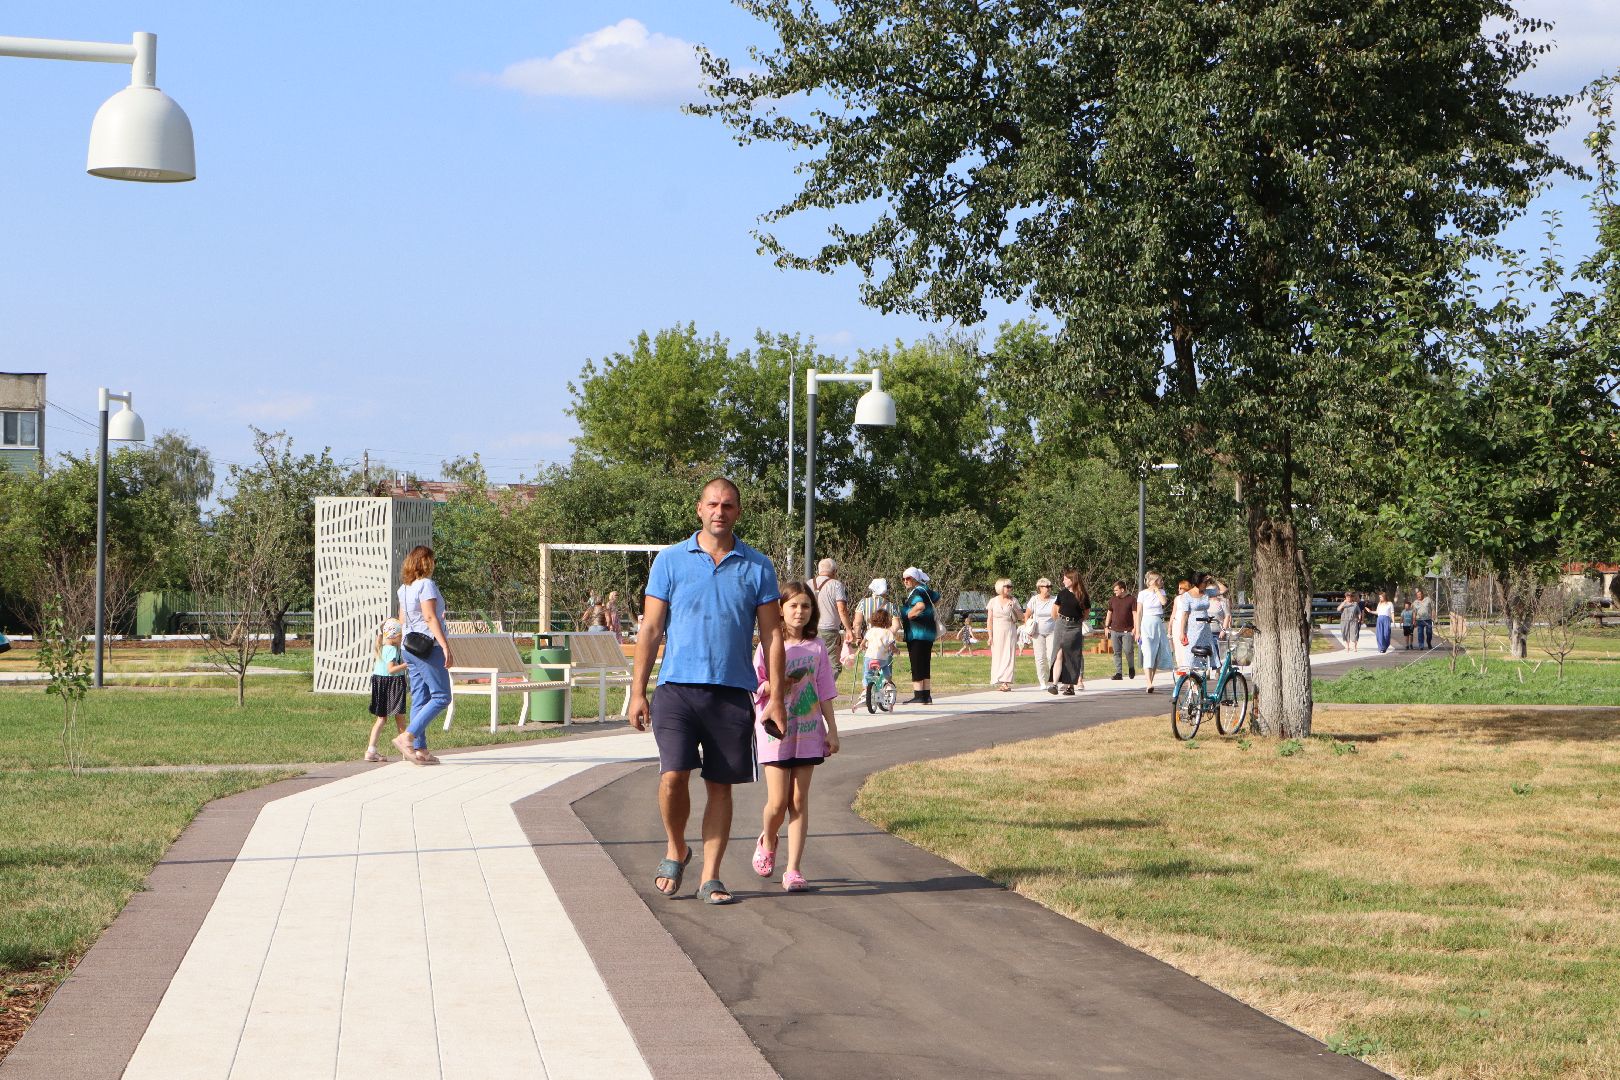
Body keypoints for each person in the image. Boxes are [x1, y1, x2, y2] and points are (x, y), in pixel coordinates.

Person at [629, 477, 785, 907]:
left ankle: (711, 877)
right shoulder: (671, 561)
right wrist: (637, 691)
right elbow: (652, 628)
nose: (721, 511)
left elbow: (772, 635)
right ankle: (676, 847)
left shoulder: (758, 566)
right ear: (699, 509)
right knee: (673, 776)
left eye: (729, 505)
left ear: (738, 511)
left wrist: (777, 698)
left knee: (721, 786)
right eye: (713, 504)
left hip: (732, 692)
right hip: (677, 689)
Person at [751, 580, 841, 892]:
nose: (799, 612)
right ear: (780, 610)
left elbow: (825, 690)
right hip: (776, 733)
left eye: (805, 606)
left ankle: (793, 869)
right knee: (777, 802)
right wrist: (778, 686)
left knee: (799, 800)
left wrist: (832, 730)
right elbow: (755, 687)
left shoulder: (817, 647)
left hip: (809, 731)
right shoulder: (767, 645)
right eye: (793, 606)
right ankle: (768, 838)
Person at [394, 545, 453, 766]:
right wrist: (445, 645)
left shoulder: (404, 588)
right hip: (427, 647)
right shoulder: (426, 585)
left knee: (420, 696)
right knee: (441, 696)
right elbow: (429, 617)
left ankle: (420, 750)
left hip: (409, 647)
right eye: (432, 560)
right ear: (426, 562)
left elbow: (402, 620)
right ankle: (407, 737)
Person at [364, 618, 408, 762]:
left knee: (381, 718)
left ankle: (371, 750)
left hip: (380, 683)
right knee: (400, 718)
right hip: (393, 683)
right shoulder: (392, 649)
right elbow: (391, 670)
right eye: (401, 636)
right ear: (395, 636)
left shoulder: (381, 647)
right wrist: (407, 664)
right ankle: (407, 751)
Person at [900, 567, 939, 704]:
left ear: (915, 578)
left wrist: (909, 615)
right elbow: (937, 597)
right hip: (928, 633)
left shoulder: (916, 591)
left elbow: (920, 605)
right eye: (903, 579)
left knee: (916, 663)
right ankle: (926, 695)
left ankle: (918, 695)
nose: (905, 581)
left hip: (917, 633)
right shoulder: (925, 589)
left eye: (908, 578)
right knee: (925, 663)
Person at [811, 558, 853, 681]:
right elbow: (842, 609)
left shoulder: (808, 584)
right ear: (834, 571)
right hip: (828, 630)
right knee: (834, 666)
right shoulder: (836, 585)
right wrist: (848, 629)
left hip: (810, 628)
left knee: (814, 663)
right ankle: (825, 692)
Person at [1134, 572, 1174, 694]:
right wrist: (1137, 630)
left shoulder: (1161, 592)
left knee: (1156, 653)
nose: (1161, 582)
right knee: (1148, 652)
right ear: (1152, 581)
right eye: (1159, 580)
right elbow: (1139, 612)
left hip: (1158, 623)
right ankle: (1148, 682)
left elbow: (1163, 602)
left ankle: (1150, 681)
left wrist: (1157, 590)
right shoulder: (1142, 594)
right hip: (1146, 623)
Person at [1176, 573, 1226, 671]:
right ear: (1197, 582)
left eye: (1207, 582)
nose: (1206, 584)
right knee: (1191, 656)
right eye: (1204, 582)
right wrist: (1182, 632)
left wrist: (1213, 579)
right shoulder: (1187, 595)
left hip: (1205, 628)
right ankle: (1191, 681)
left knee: (1204, 655)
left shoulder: (1206, 592)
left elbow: (1223, 590)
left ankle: (1201, 679)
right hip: (1192, 628)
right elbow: (1185, 615)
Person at [1050, 569, 1088, 695]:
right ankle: (1054, 684)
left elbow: (1086, 613)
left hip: (1075, 626)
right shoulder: (1062, 594)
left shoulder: (1082, 595)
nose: (1063, 581)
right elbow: (1055, 610)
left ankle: (1070, 686)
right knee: (1058, 653)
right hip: (1061, 624)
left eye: (1066, 579)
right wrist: (1060, 621)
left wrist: (1077, 621)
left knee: (1072, 655)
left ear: (1073, 580)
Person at [986, 578, 1024, 691]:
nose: (1009, 588)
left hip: (1009, 629)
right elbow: (989, 620)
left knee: (1009, 654)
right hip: (997, 629)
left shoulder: (1014, 600)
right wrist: (990, 636)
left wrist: (1015, 608)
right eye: (1007, 586)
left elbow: (1021, 617)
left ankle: (1005, 682)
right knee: (997, 655)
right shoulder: (993, 601)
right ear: (1000, 587)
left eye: (1010, 586)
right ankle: (997, 678)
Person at [1023, 578, 1058, 690]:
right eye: (1045, 587)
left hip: (1052, 631)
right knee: (1040, 657)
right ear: (1039, 588)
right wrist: (1028, 628)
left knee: (1051, 656)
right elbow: (1027, 615)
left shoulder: (1055, 599)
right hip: (1037, 633)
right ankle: (1042, 681)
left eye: (1049, 586)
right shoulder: (1034, 600)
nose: (1048, 589)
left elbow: (1059, 614)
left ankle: (1053, 680)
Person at [1103, 580, 1137, 681]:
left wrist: (1136, 627)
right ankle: (1119, 673)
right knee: (1116, 652)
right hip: (1114, 630)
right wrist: (1106, 626)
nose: (1115, 592)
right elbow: (1109, 613)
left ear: (1122, 590)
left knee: (1128, 651)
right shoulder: (1113, 600)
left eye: (1116, 590)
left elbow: (1135, 614)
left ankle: (1131, 667)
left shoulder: (1131, 599)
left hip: (1127, 630)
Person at [863, 608, 898, 688]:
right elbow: (892, 647)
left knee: (867, 673)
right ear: (887, 621)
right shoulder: (888, 632)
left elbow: (862, 643)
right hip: (882, 659)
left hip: (869, 658)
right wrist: (897, 651)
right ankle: (888, 682)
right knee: (886, 668)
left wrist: (863, 646)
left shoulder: (870, 631)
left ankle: (865, 689)